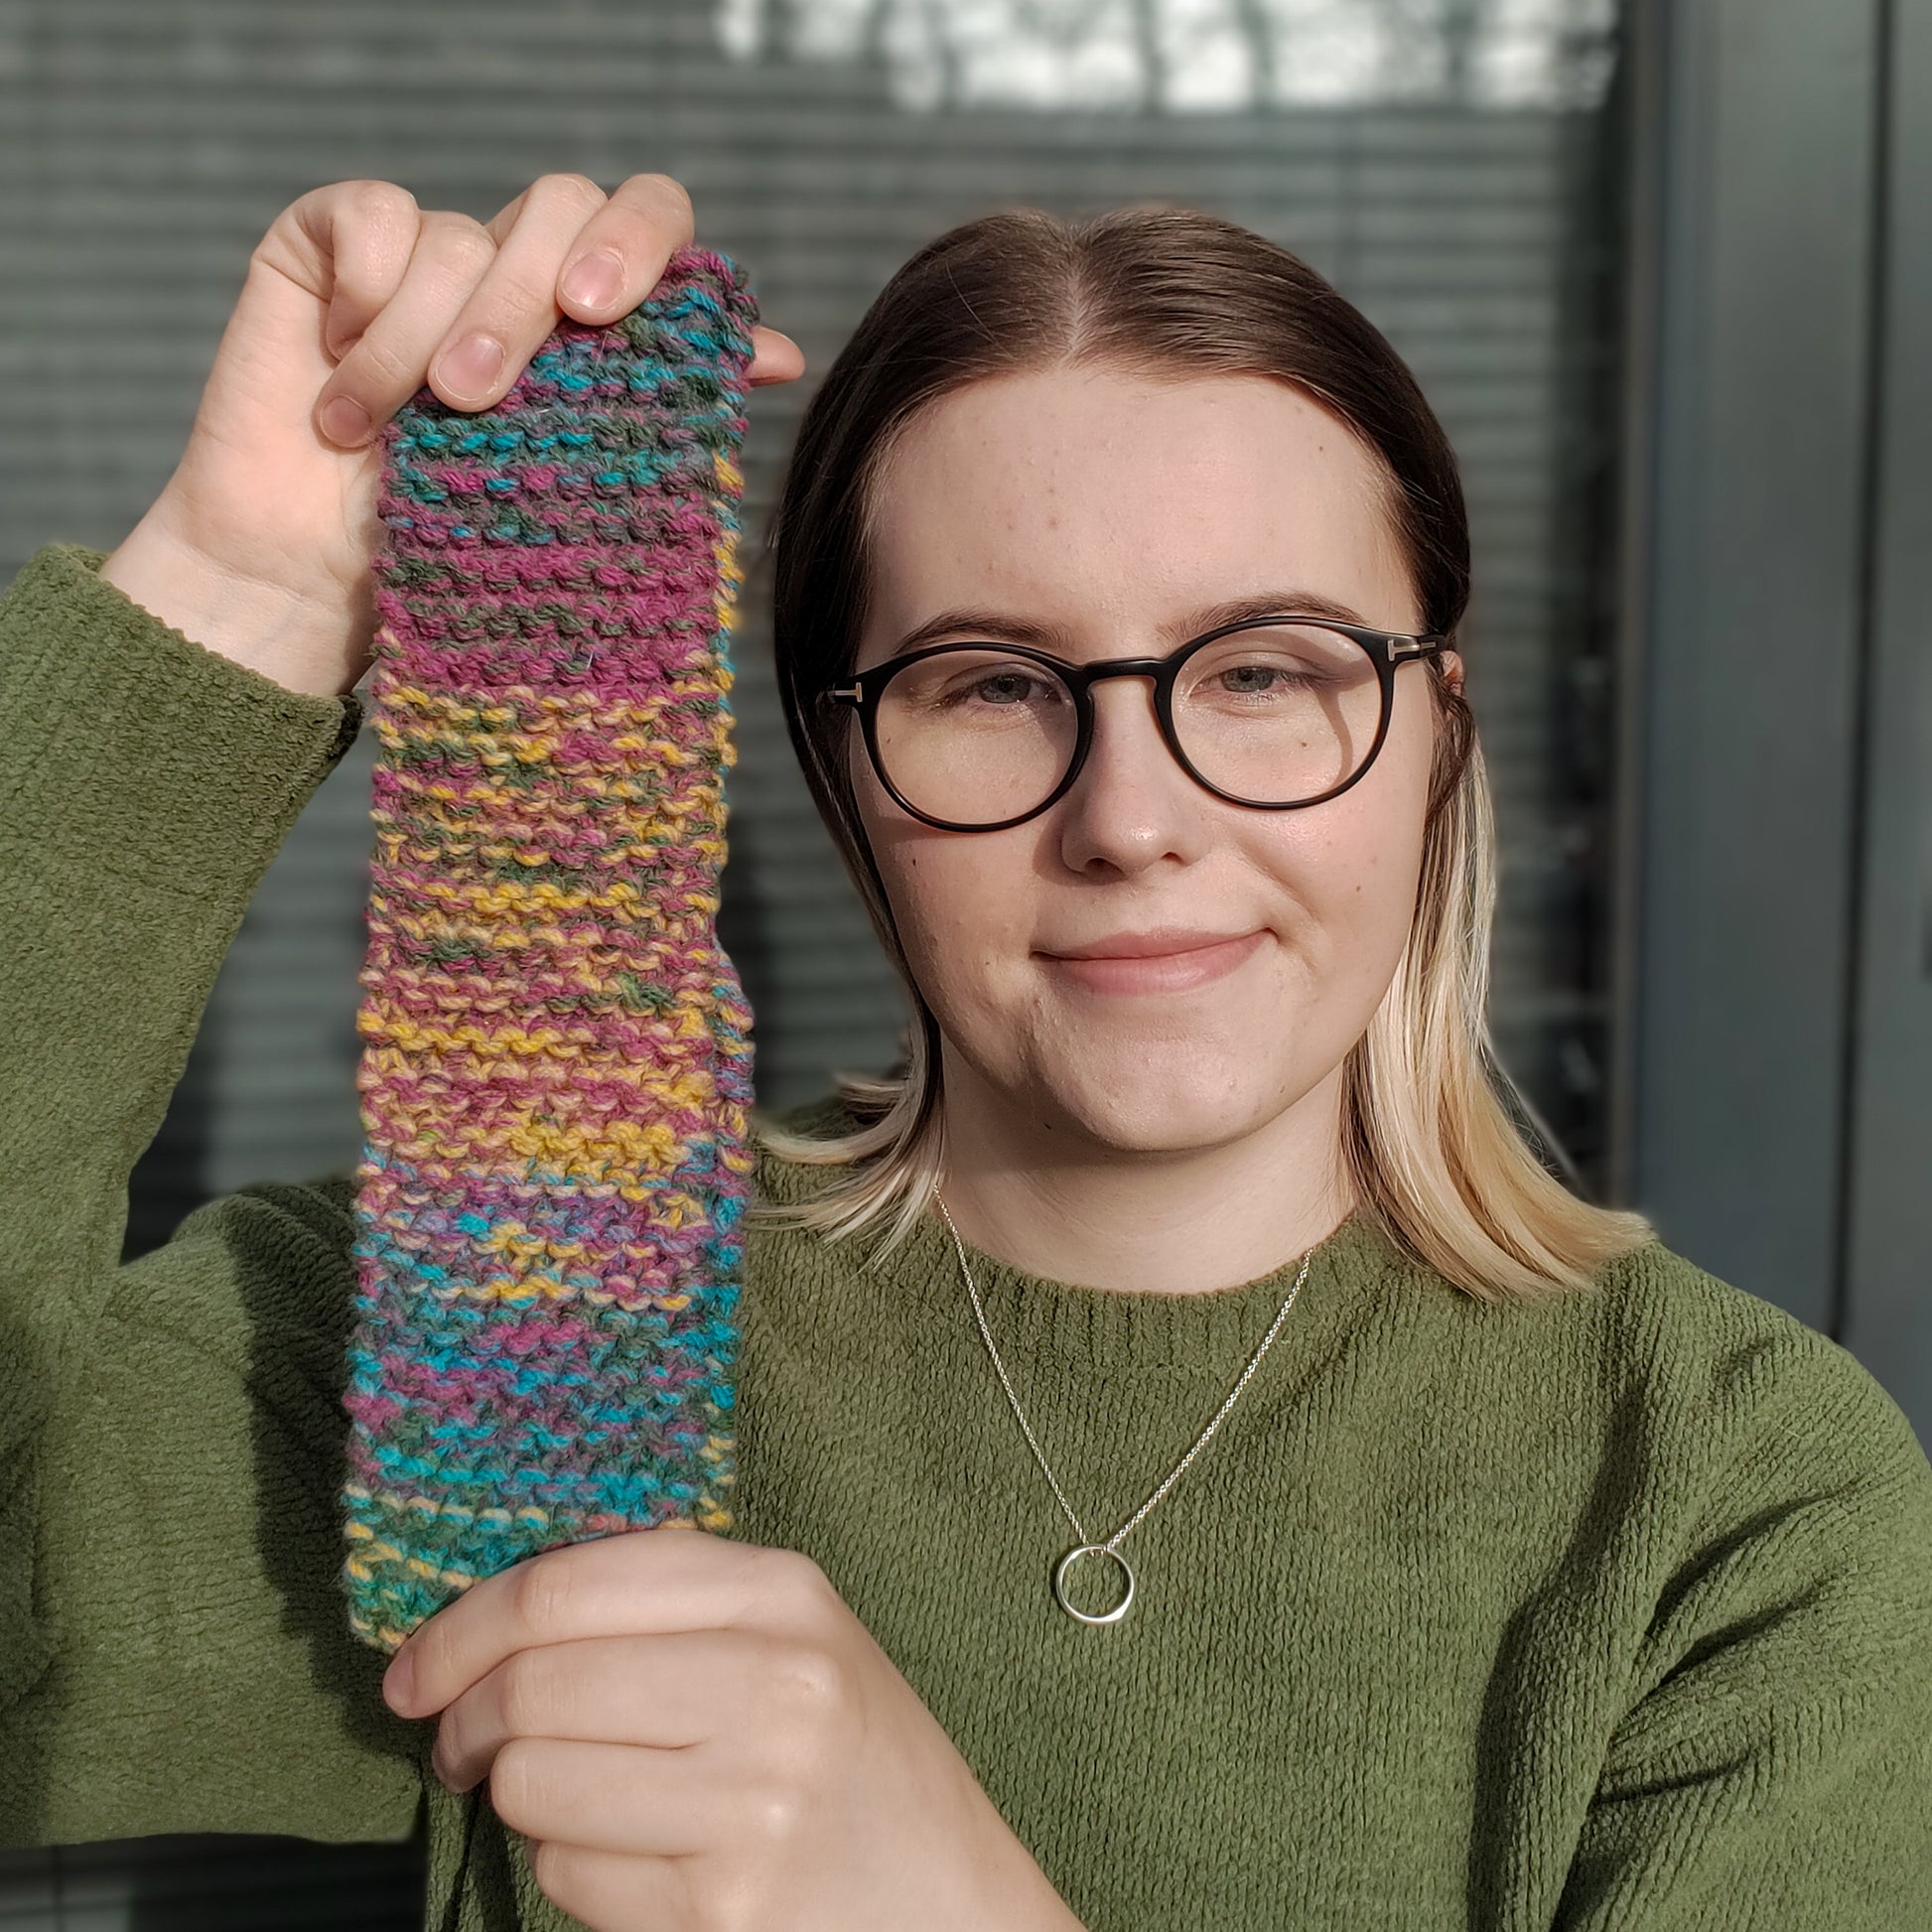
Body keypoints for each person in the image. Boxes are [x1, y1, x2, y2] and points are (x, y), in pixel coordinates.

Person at [1, 171, 1927, 1932]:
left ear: (1435, 729)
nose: (1131, 816)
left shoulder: (1732, 1502)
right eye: (993, 686)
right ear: (845, 767)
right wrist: (230, 599)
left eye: (1262, 671)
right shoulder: (519, 1314)